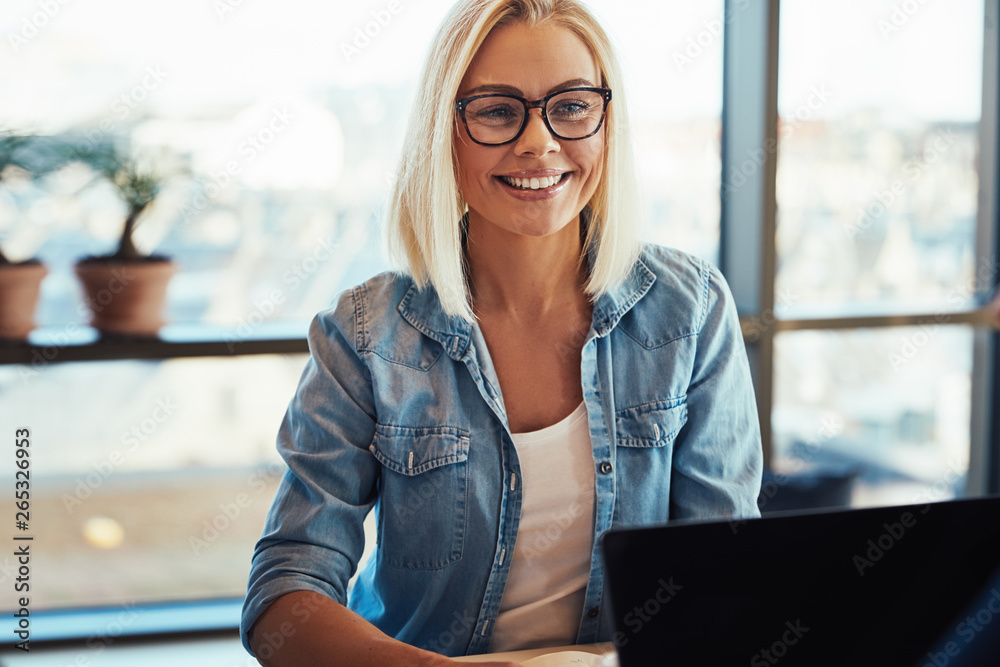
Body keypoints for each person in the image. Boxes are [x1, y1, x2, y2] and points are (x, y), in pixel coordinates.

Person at [241, 0, 763, 664]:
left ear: (608, 122)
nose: (539, 143)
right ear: (443, 132)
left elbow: (723, 572)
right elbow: (286, 587)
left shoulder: (690, 308)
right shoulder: (365, 334)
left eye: (572, 106)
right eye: (496, 110)